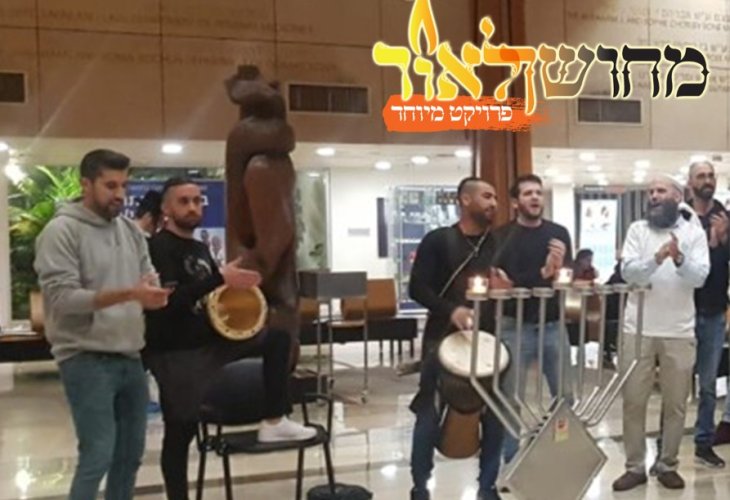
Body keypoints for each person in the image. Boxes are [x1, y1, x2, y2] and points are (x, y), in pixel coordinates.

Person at [143, 177, 316, 500]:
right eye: (184, 201)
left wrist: (235, 290)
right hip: (176, 351)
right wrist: (220, 277)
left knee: (277, 339)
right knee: (180, 432)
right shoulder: (158, 248)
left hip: (211, 341)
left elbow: (211, 293)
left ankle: (274, 420)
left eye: (197, 200)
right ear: (166, 208)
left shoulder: (199, 248)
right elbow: (168, 301)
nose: (193, 207)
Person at [34, 149, 171, 500]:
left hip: (130, 357)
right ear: (86, 184)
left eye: (124, 185)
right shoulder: (61, 231)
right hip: (85, 358)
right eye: (110, 186)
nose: (120, 194)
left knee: (129, 457)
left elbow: (148, 278)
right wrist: (129, 293)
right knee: (97, 456)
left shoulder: (130, 232)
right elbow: (63, 300)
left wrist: (152, 293)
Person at [408, 177, 506, 500]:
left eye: (495, 197)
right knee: (429, 413)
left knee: (494, 414)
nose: (493, 203)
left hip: (488, 342)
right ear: (465, 199)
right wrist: (451, 310)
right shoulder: (439, 240)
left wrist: (505, 289)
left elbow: (508, 289)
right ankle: (420, 486)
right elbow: (417, 288)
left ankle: (487, 487)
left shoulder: (498, 244)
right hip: (442, 339)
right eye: (486, 196)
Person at [612, 175, 709, 492]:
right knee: (633, 401)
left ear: (677, 197)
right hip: (637, 329)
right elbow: (629, 273)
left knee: (676, 404)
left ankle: (667, 464)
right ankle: (634, 467)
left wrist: (679, 257)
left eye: (660, 191)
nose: (653, 196)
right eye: (650, 191)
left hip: (679, 331)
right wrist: (657, 258)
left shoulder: (694, 233)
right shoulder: (637, 231)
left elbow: (699, 278)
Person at [491, 174, 574, 465]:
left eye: (538, 192)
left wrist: (558, 270)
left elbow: (566, 275)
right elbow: (502, 283)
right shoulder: (501, 237)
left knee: (565, 396)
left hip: (552, 323)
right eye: (527, 193)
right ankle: (512, 461)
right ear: (515, 202)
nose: (535, 197)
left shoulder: (558, 234)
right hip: (513, 325)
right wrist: (543, 274)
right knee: (510, 398)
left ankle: (554, 451)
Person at [683, 161, 729, 464]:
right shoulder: (681, 218)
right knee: (676, 384)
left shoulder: (724, 217)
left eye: (711, 175)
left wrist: (722, 240)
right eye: (701, 176)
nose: (707, 180)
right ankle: (665, 444)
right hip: (682, 311)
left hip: (714, 311)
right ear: (690, 182)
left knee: (708, 384)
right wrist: (710, 243)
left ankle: (703, 441)